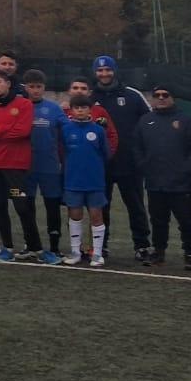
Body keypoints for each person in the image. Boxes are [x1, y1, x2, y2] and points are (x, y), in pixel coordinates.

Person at [90, 55, 154, 263]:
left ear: (114, 71)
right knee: (102, 205)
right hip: (101, 164)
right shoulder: (90, 97)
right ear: (95, 73)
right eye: (100, 71)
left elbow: (149, 122)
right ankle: (102, 245)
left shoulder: (132, 95)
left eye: (108, 70)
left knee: (135, 205)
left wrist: (141, 152)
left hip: (130, 162)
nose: (104, 74)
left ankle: (142, 245)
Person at [133, 85, 191, 268]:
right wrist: (143, 166)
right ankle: (158, 252)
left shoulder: (187, 120)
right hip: (155, 181)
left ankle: (190, 253)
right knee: (158, 220)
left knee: (186, 220)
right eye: (157, 95)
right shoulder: (145, 121)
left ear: (173, 97)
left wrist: (188, 166)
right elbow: (136, 146)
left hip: (180, 183)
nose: (161, 98)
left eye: (165, 95)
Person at [0, 69, 40, 262]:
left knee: (22, 206)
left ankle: (35, 248)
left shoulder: (24, 104)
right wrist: (5, 129)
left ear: (8, 83)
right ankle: (8, 248)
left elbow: (22, 131)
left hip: (14, 167)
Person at [59, 93, 115, 266]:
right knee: (75, 215)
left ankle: (97, 254)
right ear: (72, 110)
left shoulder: (98, 130)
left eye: (84, 107)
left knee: (96, 215)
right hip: (73, 181)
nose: (80, 111)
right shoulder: (66, 129)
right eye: (77, 108)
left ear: (90, 110)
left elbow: (106, 154)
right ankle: (76, 252)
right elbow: (61, 153)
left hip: (94, 181)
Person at [21, 70, 66, 261]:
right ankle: (31, 244)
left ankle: (54, 246)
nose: (35, 90)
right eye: (31, 87)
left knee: (52, 206)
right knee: (26, 205)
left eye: (38, 87)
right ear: (26, 88)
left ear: (44, 88)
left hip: (49, 166)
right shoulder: (20, 107)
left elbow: (67, 128)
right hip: (25, 166)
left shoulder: (54, 109)